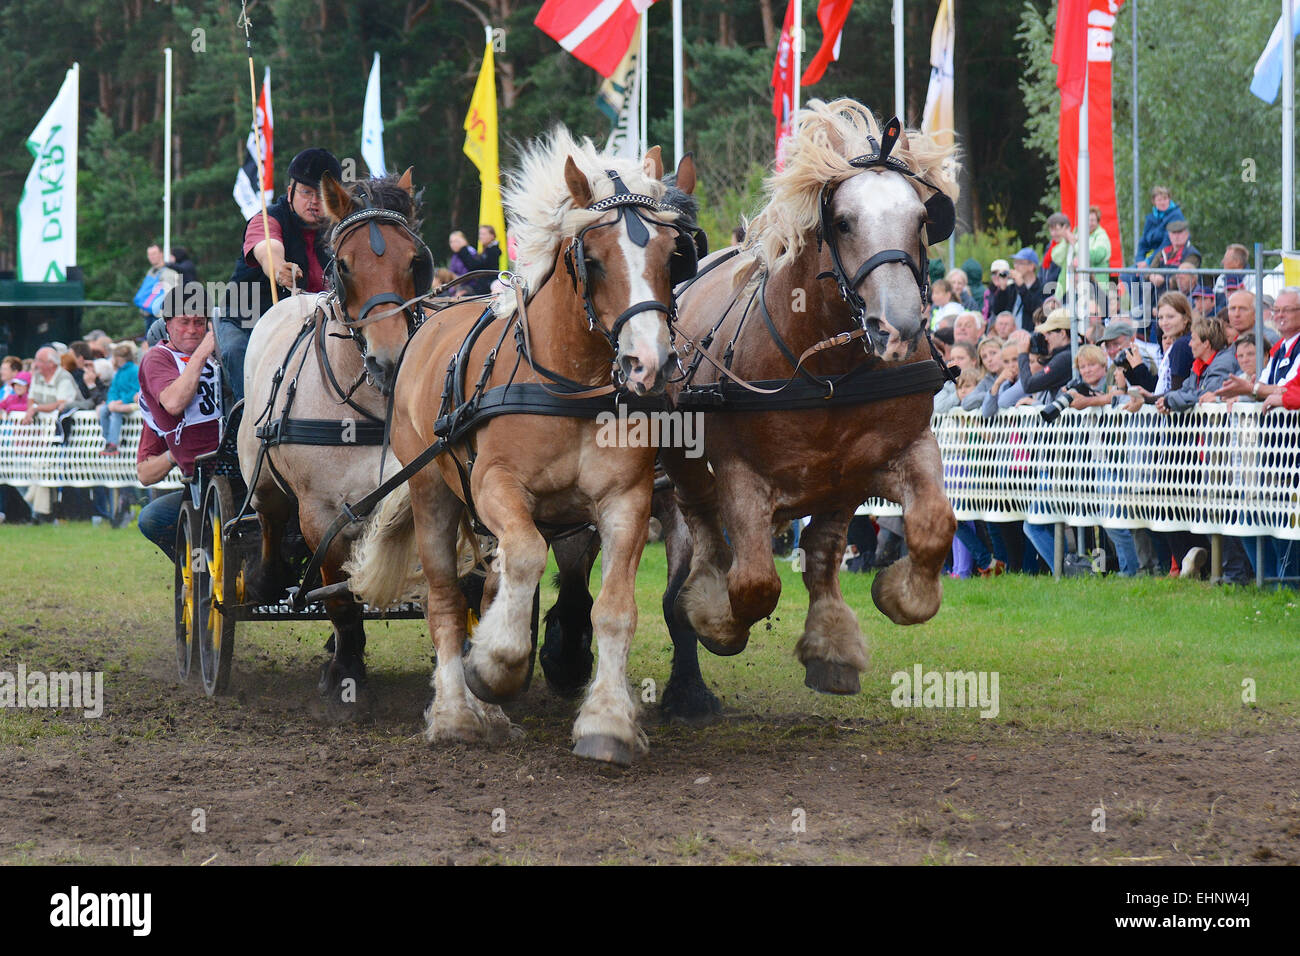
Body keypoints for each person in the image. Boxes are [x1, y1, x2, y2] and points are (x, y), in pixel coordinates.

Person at [220, 147, 342, 403]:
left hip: (306, 325)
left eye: (322, 195)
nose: (314, 202)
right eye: (307, 193)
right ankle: (246, 420)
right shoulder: (266, 220)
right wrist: (278, 269)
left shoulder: (338, 232)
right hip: (247, 320)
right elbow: (268, 249)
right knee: (235, 350)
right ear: (290, 192)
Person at [136, 286, 223, 560]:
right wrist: (175, 453)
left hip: (242, 458)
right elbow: (173, 403)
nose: (192, 330)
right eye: (184, 322)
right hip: (200, 475)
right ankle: (197, 568)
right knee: (152, 517)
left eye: (199, 322)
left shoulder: (225, 353)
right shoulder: (157, 360)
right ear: (168, 324)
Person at [97, 342, 140, 456]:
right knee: (103, 411)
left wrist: (121, 401)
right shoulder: (119, 372)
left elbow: (136, 390)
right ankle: (107, 440)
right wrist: (111, 401)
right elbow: (113, 389)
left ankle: (113, 444)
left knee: (116, 412)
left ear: (121, 358)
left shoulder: (135, 370)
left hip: (128, 403)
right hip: (116, 402)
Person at [132, 243, 178, 337]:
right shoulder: (151, 271)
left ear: (161, 254)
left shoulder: (168, 272)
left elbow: (171, 295)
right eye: (149, 254)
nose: (151, 257)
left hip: (159, 317)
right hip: (149, 314)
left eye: (154, 254)